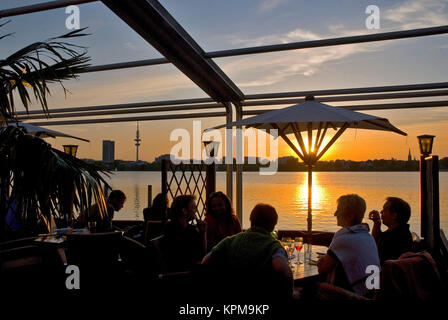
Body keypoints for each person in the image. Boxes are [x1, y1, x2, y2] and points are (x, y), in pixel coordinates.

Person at [201, 203, 293, 302]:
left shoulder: (230, 241)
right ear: (273, 225)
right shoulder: (273, 246)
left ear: (251, 220)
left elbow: (205, 261)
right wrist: (291, 293)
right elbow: (283, 270)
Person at [317, 194, 380, 297]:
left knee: (309, 288)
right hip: (372, 293)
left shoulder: (344, 238)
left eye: (338, 211)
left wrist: (321, 262)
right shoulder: (367, 236)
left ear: (350, 216)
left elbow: (323, 269)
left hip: (355, 297)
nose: (335, 214)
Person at [160, 195, 206, 272]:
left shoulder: (191, 229)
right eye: (194, 207)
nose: (196, 210)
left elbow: (202, 254)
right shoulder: (172, 231)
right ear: (184, 211)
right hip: (180, 272)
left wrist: (203, 233)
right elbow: (183, 259)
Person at [369, 197, 413, 264]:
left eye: (384, 210)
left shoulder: (395, 238)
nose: (381, 212)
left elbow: (375, 246)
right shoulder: (400, 232)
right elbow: (377, 239)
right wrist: (377, 222)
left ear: (393, 215)